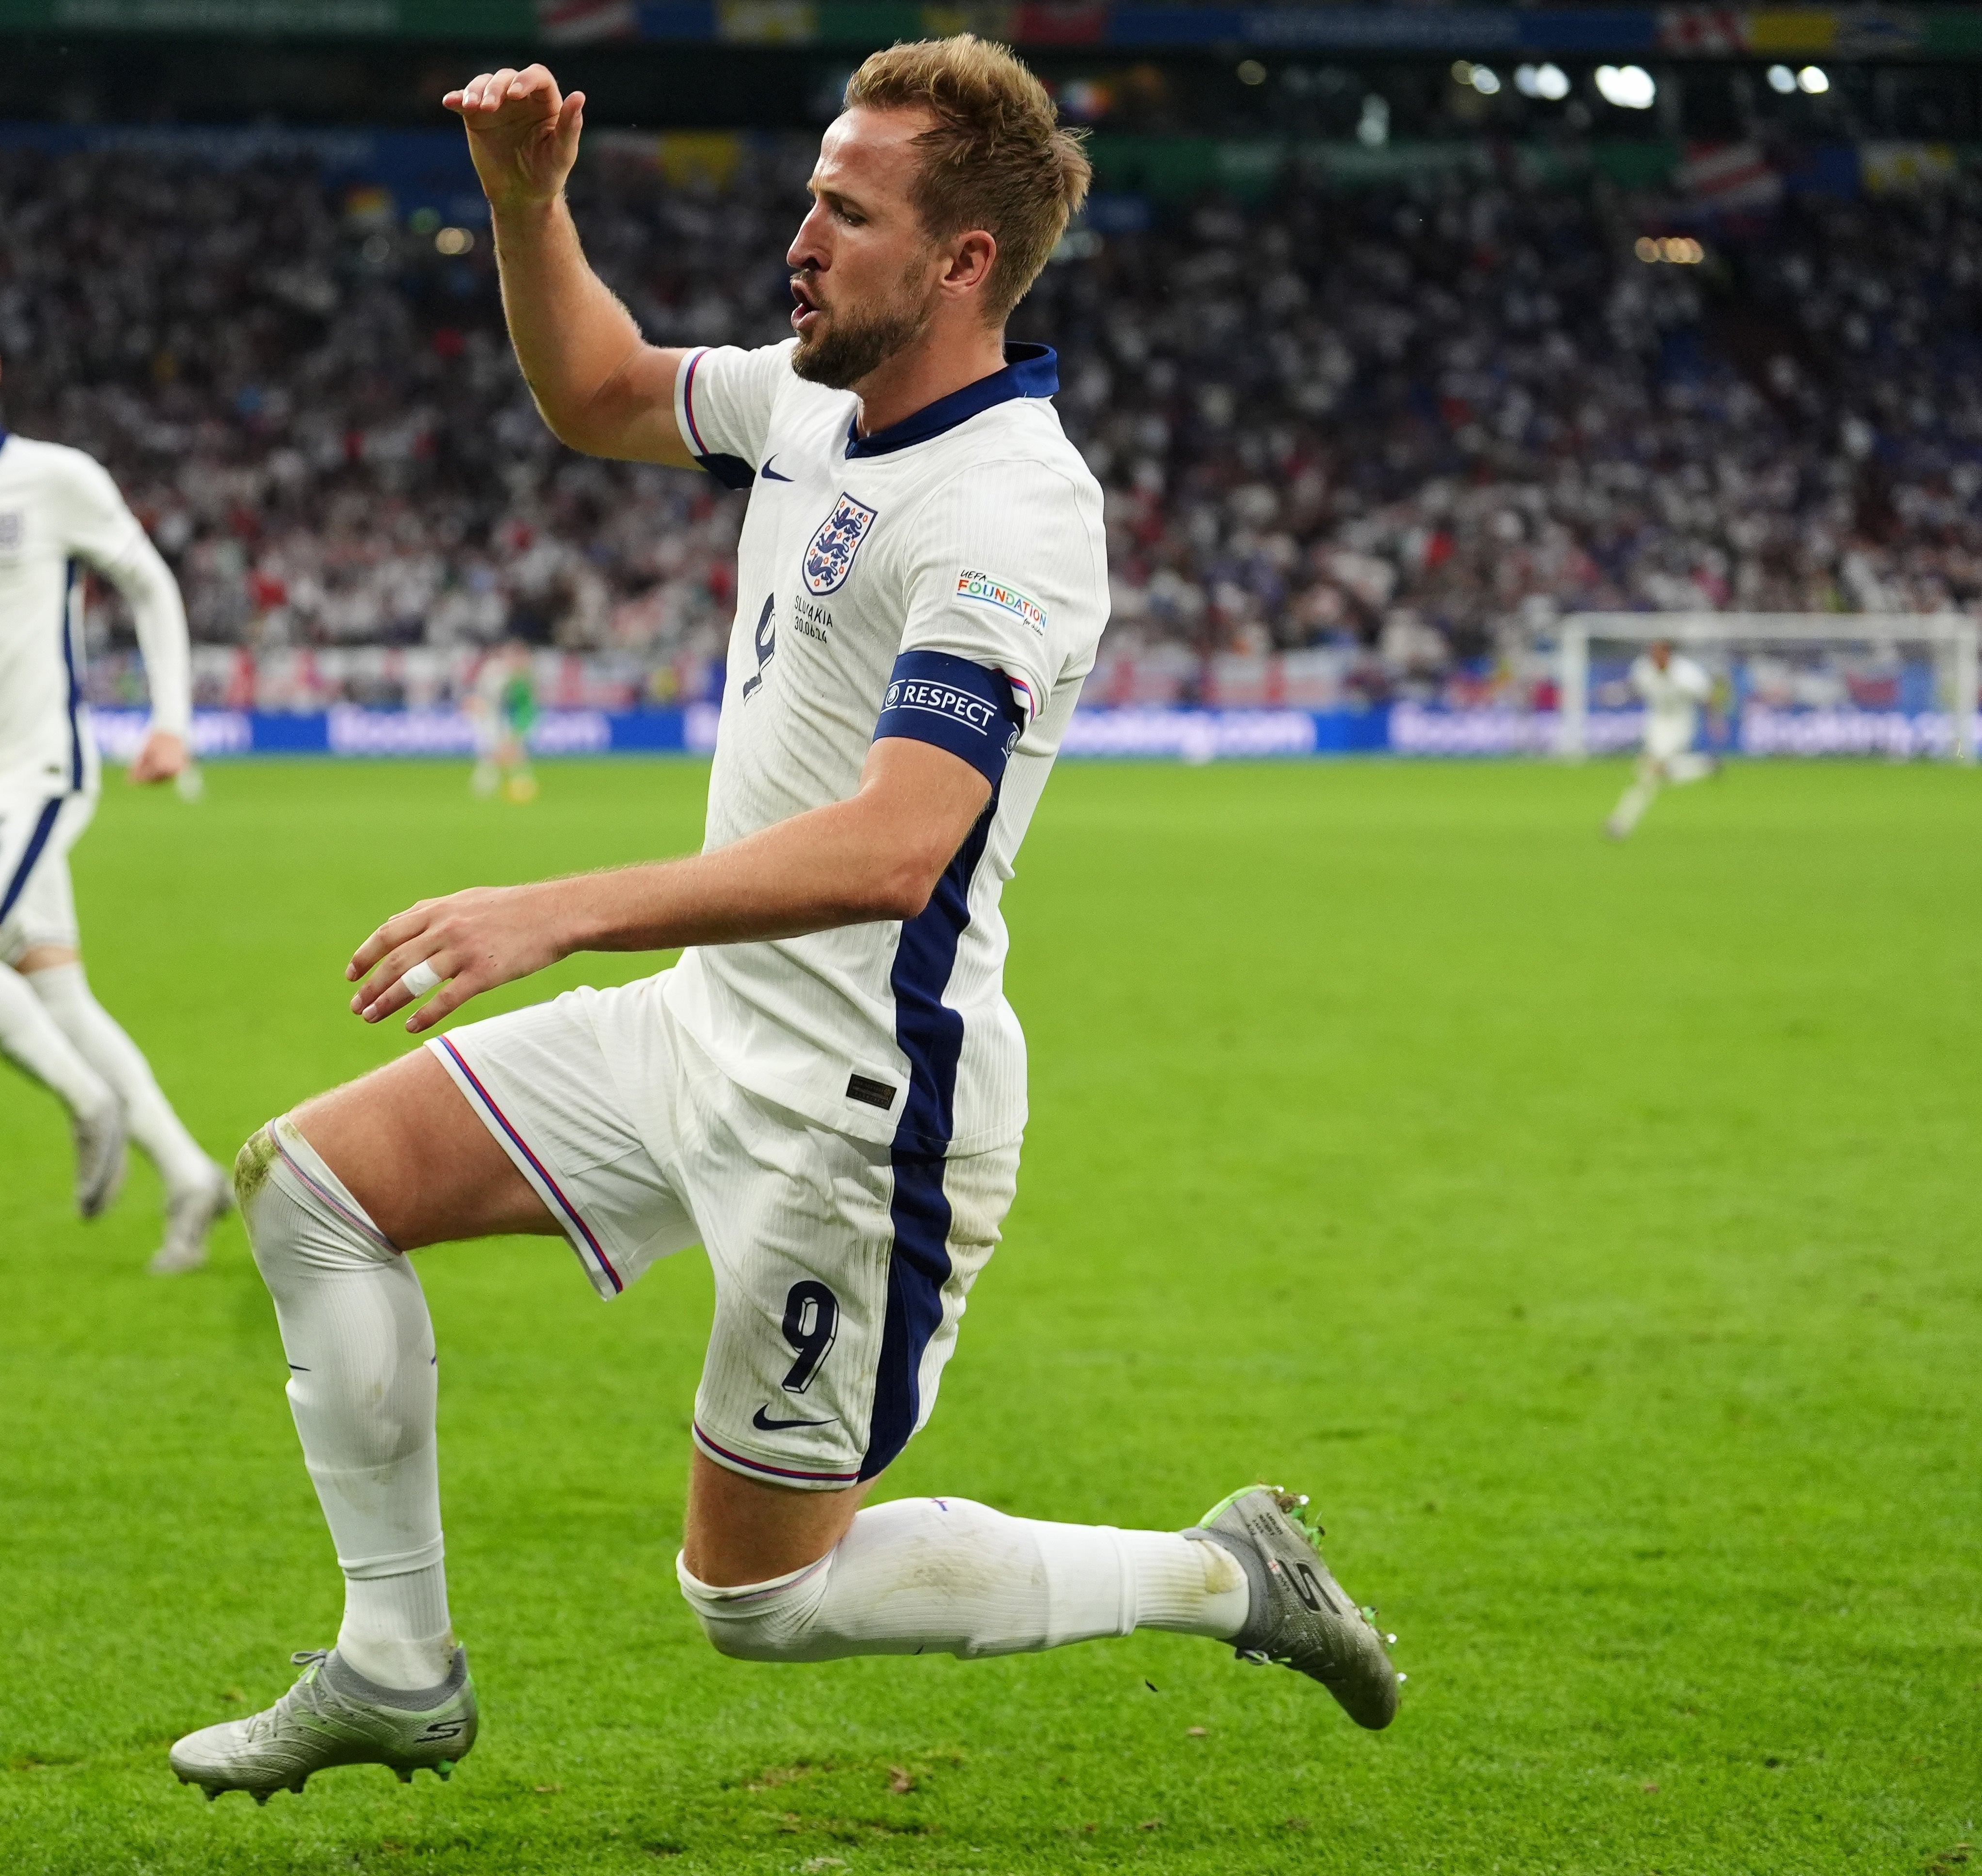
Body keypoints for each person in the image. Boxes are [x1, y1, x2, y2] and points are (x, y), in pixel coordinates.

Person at [169, 37, 1399, 1802]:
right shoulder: (810, 401)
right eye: (808, 197)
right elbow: (597, 389)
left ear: (961, 261)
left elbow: (903, 842)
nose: (796, 237)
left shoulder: (1010, 509)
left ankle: (1221, 1574)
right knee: (312, 1186)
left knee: (757, 1595)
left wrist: (564, 904)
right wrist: (528, 206)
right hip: (700, 1024)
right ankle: (391, 1662)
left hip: (856, 1106)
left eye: (844, 207)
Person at [0, 293, 232, 1275]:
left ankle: (86, 1099)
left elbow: (150, 583)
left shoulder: (55, 479)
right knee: (60, 994)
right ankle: (189, 1173)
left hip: (44, 769)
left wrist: (171, 721)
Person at [1605, 638, 1718, 840]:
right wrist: (1614, 694)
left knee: (1648, 773)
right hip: (1656, 724)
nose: (1654, 658)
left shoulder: (1687, 674)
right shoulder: (1644, 669)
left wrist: (1715, 721)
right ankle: (1703, 766)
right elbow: (1634, 687)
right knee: (1661, 774)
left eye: (1658, 654)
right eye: (1652, 654)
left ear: (1669, 655)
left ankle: (1621, 823)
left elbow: (1708, 695)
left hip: (1680, 726)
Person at [468, 640, 540, 803]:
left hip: (503, 718)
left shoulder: (521, 678)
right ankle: (493, 786)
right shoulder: (496, 672)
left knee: (506, 753)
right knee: (497, 753)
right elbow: (484, 698)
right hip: (491, 718)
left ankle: (495, 786)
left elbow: (523, 706)